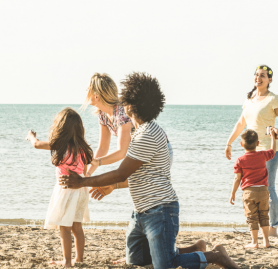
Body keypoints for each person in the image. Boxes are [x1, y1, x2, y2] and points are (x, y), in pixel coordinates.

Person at [60, 72, 240, 269]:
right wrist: (97, 172)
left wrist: (84, 181)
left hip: (160, 207)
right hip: (142, 209)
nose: (122, 104)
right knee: (136, 259)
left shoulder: (143, 132)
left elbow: (122, 168)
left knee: (164, 264)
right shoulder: (126, 125)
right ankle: (191, 249)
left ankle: (214, 256)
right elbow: (123, 166)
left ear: (129, 106)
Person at [225, 65, 278, 237]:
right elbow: (241, 123)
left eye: (263, 75)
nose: (258, 78)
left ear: (270, 80)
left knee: (268, 188)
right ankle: (257, 227)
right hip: (251, 154)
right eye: (256, 75)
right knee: (252, 188)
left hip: (270, 152)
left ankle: (273, 228)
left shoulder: (274, 99)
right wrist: (229, 143)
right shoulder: (249, 99)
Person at [26, 108, 93, 267]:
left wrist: (31, 136)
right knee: (77, 226)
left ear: (61, 128)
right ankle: (79, 260)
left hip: (66, 191)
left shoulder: (60, 146)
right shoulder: (83, 149)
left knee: (64, 226)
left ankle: (67, 262)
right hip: (81, 191)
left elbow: (36, 145)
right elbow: (84, 172)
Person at [230, 129, 276, 249]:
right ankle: (266, 242)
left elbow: (237, 179)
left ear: (241, 144)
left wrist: (233, 193)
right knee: (264, 215)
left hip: (249, 192)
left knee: (252, 217)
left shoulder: (240, 160)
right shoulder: (262, 155)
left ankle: (255, 242)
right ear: (258, 143)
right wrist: (273, 138)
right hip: (263, 191)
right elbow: (272, 152)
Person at [83, 73, 133, 177]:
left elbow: (121, 152)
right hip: (141, 153)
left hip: (156, 150)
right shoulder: (103, 114)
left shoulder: (121, 113)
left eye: (88, 89)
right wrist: (87, 174)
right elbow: (102, 148)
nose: (86, 92)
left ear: (96, 96)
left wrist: (98, 162)